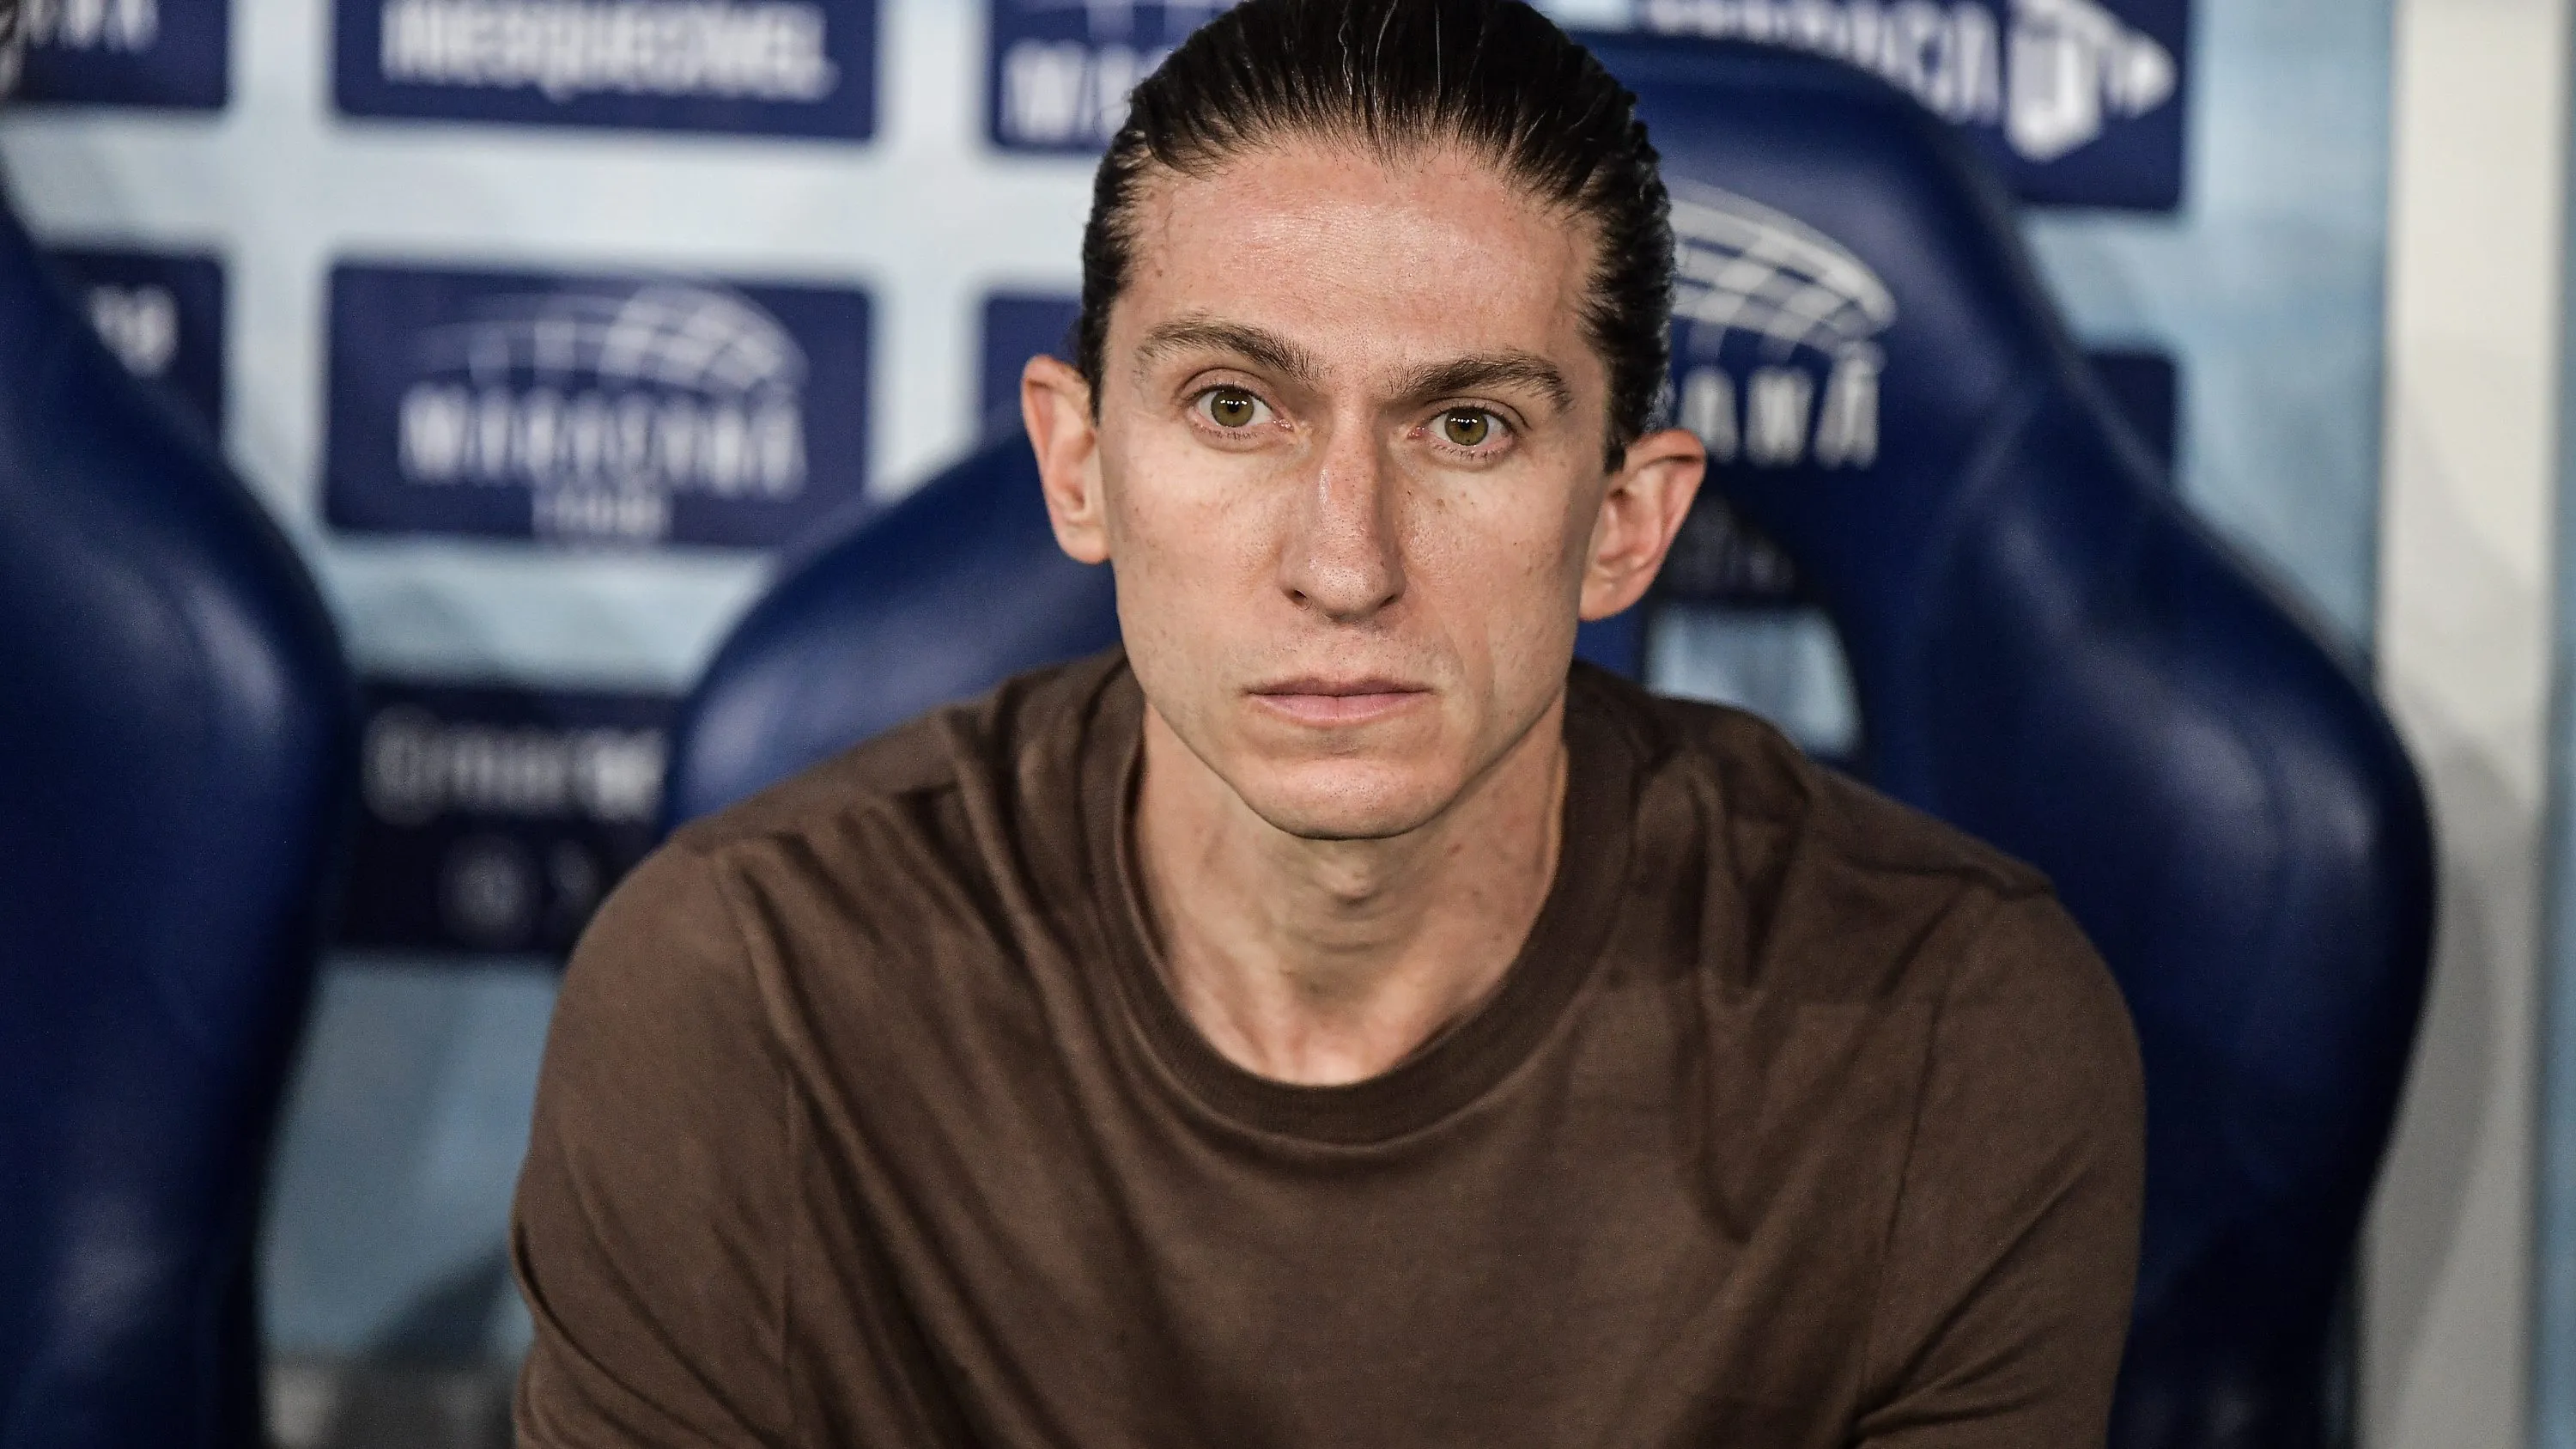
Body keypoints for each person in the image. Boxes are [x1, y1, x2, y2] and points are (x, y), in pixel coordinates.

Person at [509, 1, 2145, 1444]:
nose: (1346, 562)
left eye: (1470, 424)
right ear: (1080, 464)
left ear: (1626, 524)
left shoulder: (1950, 1039)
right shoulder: (739, 1004)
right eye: (1237, 406)